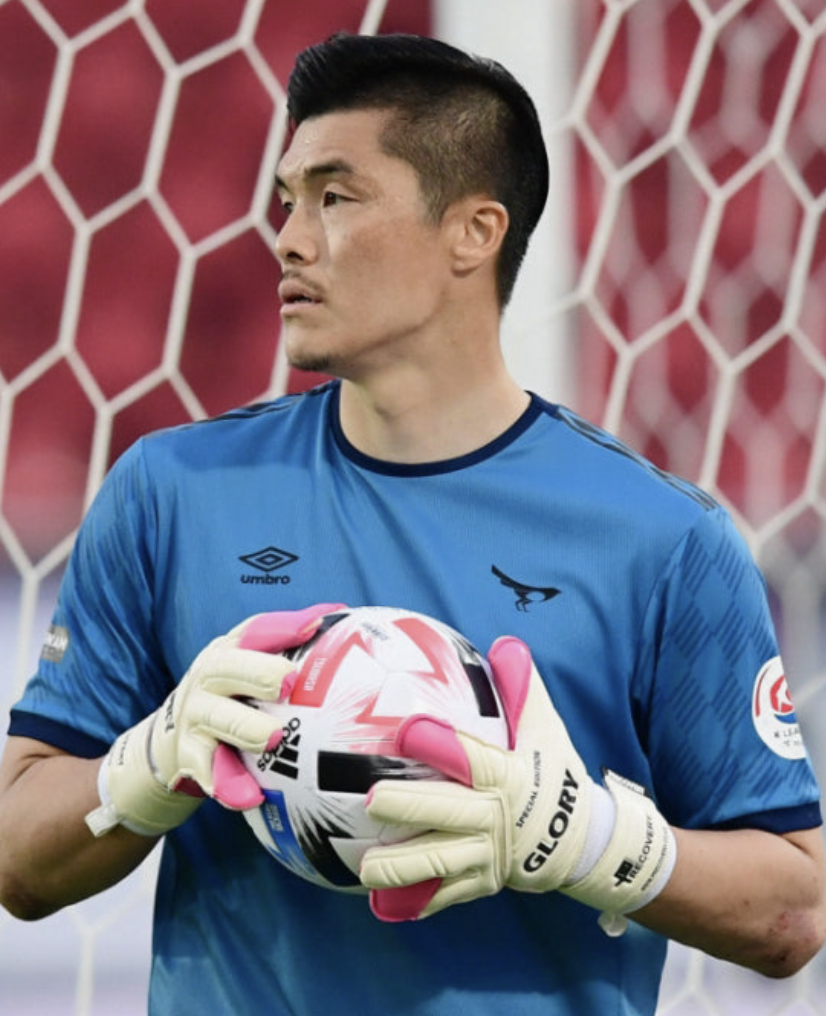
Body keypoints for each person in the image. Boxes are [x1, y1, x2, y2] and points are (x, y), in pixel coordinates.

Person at [1, 30, 824, 1016]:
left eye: (336, 197)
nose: (288, 238)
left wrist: (588, 839)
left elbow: (794, 911)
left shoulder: (661, 539)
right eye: (287, 199)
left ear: (473, 232)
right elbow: (17, 862)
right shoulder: (172, 492)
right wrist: (150, 760)